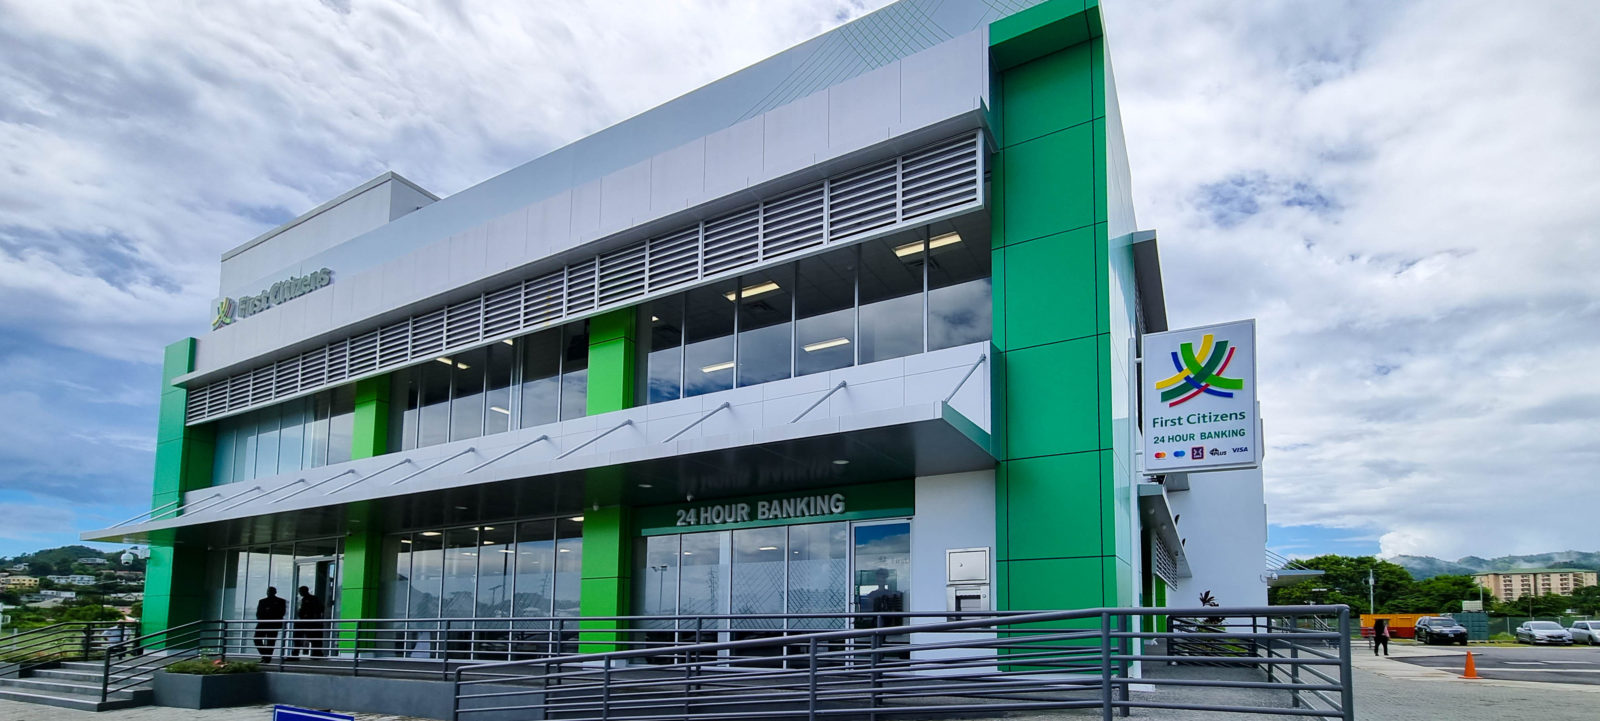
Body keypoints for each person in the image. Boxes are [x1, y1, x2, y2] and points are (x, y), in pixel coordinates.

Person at [291, 586, 326, 658]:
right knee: (300, 637)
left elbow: (319, 608)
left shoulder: (313, 599)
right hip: (305, 621)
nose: (300, 593)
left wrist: (312, 616)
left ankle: (316, 653)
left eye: (300, 591)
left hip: (310, 622)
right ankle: (315, 653)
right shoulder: (304, 599)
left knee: (312, 637)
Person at [253, 587, 287, 662]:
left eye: (271, 591)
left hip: (273, 624)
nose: (269, 593)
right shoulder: (262, 601)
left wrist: (269, 613)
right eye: (268, 591)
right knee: (257, 639)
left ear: (275, 592)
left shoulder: (281, 601)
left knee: (271, 641)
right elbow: (258, 613)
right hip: (263, 624)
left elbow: (281, 613)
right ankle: (265, 655)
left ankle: (267, 657)